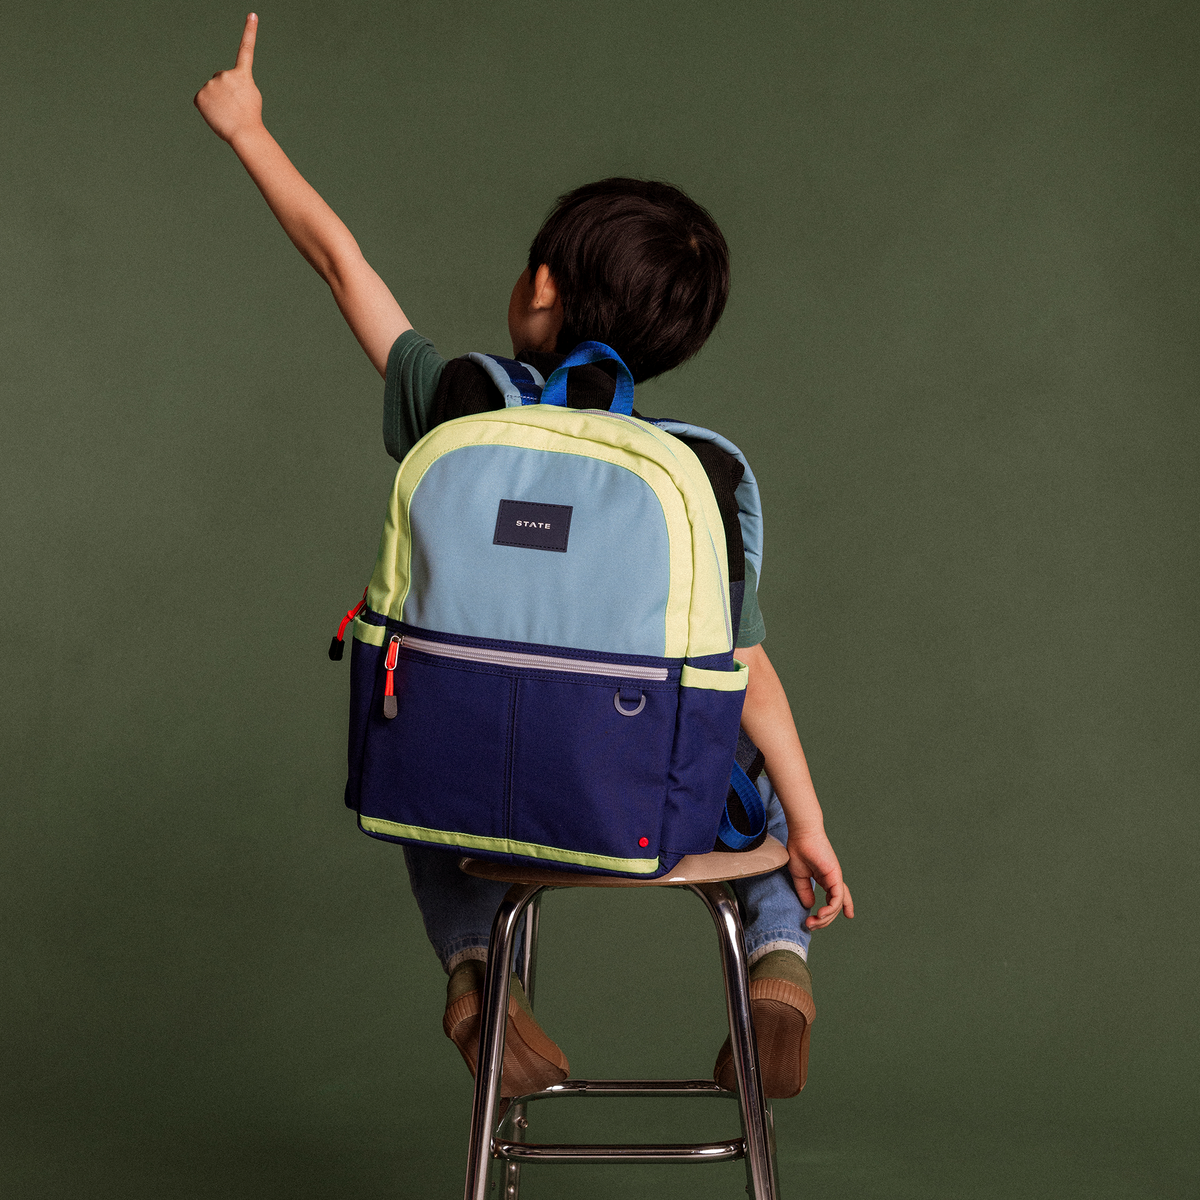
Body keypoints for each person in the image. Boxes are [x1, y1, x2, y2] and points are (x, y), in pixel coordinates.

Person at [195, 13, 855, 1100]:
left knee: (416, 763)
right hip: (637, 809)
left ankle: (475, 978)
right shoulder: (702, 475)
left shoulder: (456, 401)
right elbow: (746, 678)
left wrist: (249, 131)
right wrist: (813, 824)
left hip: (474, 805)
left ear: (541, 287)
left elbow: (338, 264)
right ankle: (777, 967)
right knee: (769, 794)